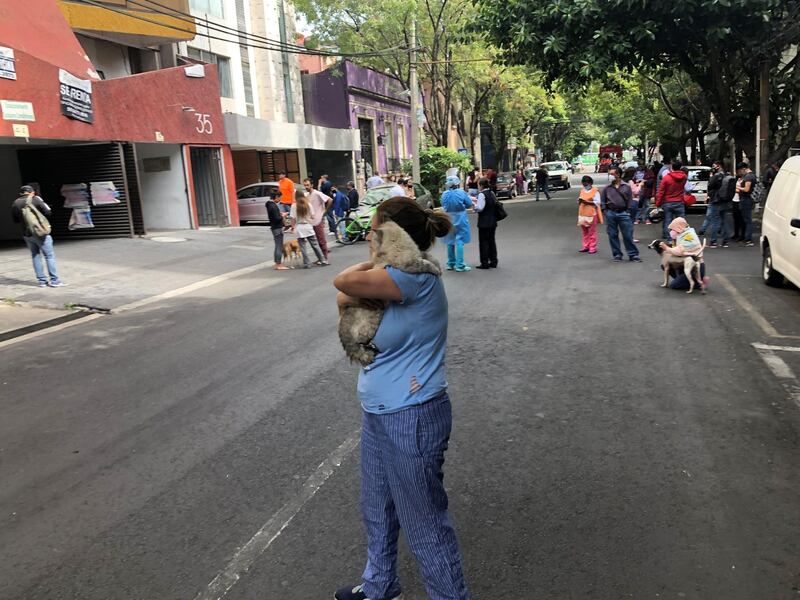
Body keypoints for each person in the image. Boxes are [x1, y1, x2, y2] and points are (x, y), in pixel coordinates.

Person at [332, 197, 469, 600]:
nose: (371, 238)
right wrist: (378, 262)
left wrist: (377, 260)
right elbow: (345, 300)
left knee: (424, 522)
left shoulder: (413, 279)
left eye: (377, 230)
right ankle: (379, 585)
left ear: (393, 234)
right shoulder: (391, 280)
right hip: (378, 412)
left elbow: (341, 282)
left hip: (412, 416)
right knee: (377, 508)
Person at [11, 185, 66, 287]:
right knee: (49, 256)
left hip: (27, 234)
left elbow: (15, 220)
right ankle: (54, 281)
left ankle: (42, 281)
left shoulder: (16, 203)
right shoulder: (36, 199)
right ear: (32, 192)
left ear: (21, 193)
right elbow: (48, 212)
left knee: (35, 255)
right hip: (40, 233)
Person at [601, 167, 641, 262]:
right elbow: (603, 201)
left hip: (623, 213)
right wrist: (605, 212)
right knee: (612, 235)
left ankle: (633, 254)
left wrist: (628, 212)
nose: (610, 176)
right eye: (609, 174)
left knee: (627, 235)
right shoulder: (607, 188)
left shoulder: (626, 186)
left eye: (612, 174)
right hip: (611, 213)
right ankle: (617, 254)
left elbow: (630, 201)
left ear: (618, 175)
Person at [440, 175, 474, 272]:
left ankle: (450, 263)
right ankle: (460, 265)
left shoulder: (444, 194)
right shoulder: (461, 192)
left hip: (449, 218)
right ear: (457, 183)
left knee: (450, 241)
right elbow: (468, 203)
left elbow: (443, 204)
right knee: (460, 240)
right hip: (460, 218)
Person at [290, 189, 328, 268]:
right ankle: (323, 260)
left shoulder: (294, 206)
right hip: (308, 226)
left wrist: (292, 227)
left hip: (300, 227)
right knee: (315, 245)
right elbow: (313, 216)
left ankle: (307, 263)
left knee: (303, 247)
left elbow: (293, 219)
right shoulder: (308, 205)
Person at [655, 160, 689, 240]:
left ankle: (669, 239)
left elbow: (661, 192)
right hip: (679, 202)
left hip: (667, 202)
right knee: (681, 221)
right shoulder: (684, 177)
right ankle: (682, 238)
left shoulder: (666, 178)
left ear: (671, 167)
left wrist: (658, 203)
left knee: (668, 221)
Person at [705, 160, 733, 248]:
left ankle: (713, 241)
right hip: (725, 200)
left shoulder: (716, 176)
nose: (713, 168)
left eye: (714, 166)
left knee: (715, 221)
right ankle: (725, 241)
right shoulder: (728, 175)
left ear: (718, 166)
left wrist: (711, 177)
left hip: (716, 200)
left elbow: (710, 185)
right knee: (724, 220)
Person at [303, 179, 332, 260]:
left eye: (307, 185)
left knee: (321, 239)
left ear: (312, 185)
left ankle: (325, 258)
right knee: (315, 241)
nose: (306, 187)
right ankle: (320, 258)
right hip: (310, 220)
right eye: (305, 185)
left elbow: (329, 200)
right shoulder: (306, 195)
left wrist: (325, 211)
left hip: (318, 219)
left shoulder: (317, 193)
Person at [474, 177, 499, 269]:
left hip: (484, 222)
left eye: (478, 185)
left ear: (481, 185)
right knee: (492, 241)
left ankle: (484, 262)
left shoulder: (482, 195)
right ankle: (494, 260)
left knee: (483, 242)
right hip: (493, 221)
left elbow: (480, 208)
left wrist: (474, 207)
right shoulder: (491, 193)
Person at [576, 175, 603, 254]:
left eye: (587, 183)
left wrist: (587, 202)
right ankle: (586, 246)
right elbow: (580, 199)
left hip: (591, 213)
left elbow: (597, 202)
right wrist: (579, 201)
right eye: (584, 183)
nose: (585, 185)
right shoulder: (582, 191)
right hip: (582, 213)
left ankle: (592, 247)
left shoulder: (595, 191)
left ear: (590, 183)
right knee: (584, 231)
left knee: (592, 232)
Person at [266, 191, 291, 270]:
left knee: (277, 245)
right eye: (280, 197)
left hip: (274, 227)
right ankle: (278, 264)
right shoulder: (273, 206)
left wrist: (279, 213)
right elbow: (276, 218)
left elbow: (273, 215)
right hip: (277, 227)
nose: (280, 199)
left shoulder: (268, 204)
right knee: (279, 246)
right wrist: (282, 215)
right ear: (276, 196)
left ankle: (277, 262)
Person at [735, 161, 757, 246]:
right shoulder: (752, 175)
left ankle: (748, 239)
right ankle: (747, 237)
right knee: (746, 219)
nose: (740, 173)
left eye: (740, 171)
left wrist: (737, 187)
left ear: (744, 169)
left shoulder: (748, 177)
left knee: (747, 220)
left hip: (746, 199)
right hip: (747, 199)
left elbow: (747, 189)